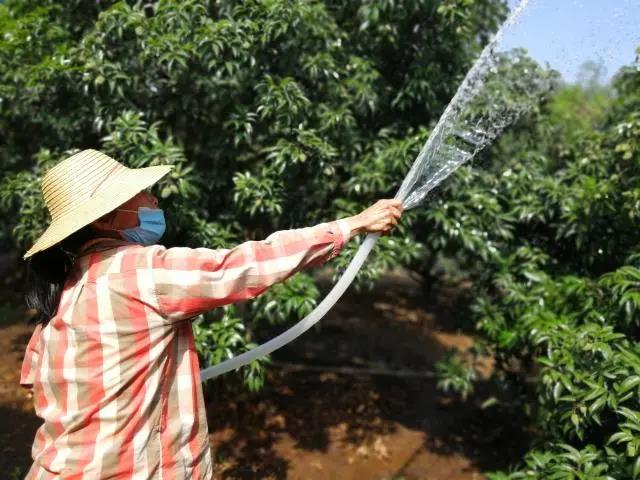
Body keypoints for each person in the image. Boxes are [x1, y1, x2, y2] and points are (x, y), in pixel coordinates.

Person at [19, 149, 403, 479]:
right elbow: (241, 266)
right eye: (142, 194)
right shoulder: (137, 272)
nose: (153, 200)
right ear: (106, 219)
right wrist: (351, 224)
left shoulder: (62, 295)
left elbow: (36, 383)